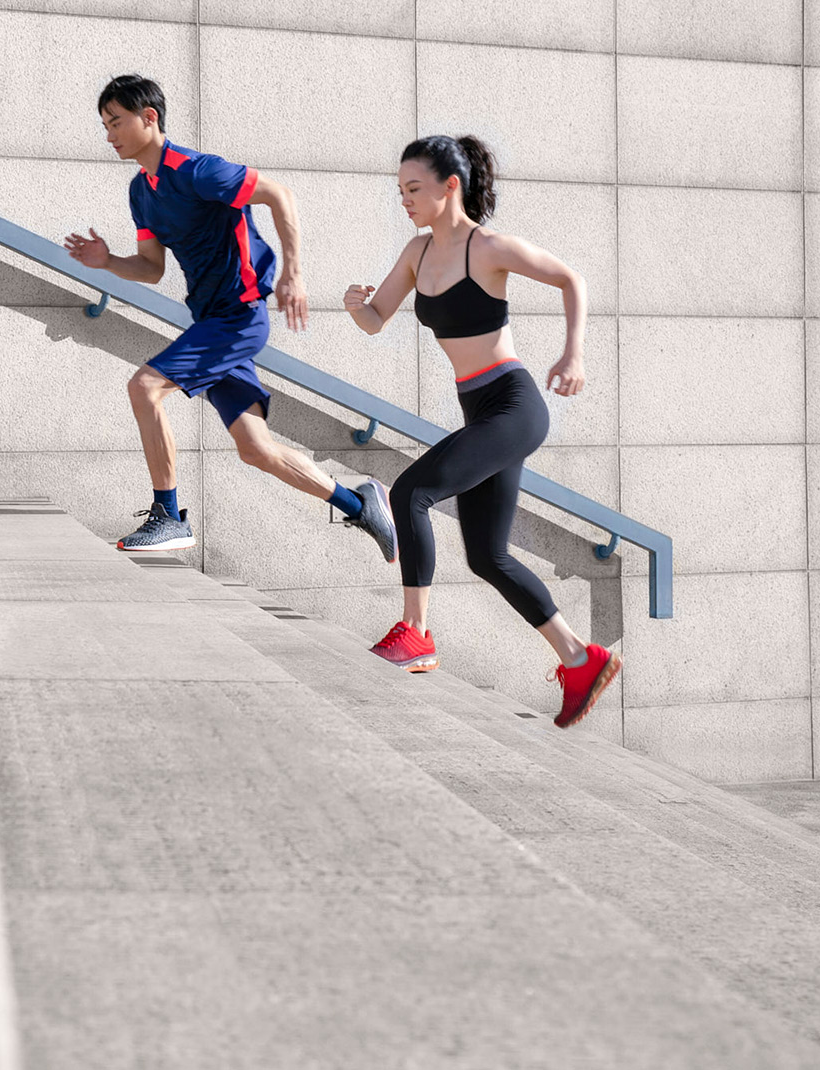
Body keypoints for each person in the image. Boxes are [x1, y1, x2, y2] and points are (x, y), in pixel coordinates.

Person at [342, 134, 620, 729]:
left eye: (413, 189)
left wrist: (572, 357)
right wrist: (353, 305)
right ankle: (579, 657)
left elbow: (572, 279)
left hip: (513, 404)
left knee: (410, 492)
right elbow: (374, 319)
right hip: (480, 410)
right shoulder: (417, 253)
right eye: (399, 191)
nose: (405, 200)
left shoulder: (489, 247)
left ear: (451, 187)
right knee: (488, 556)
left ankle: (416, 632)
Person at [63, 74, 398, 562]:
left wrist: (293, 274)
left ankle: (169, 516)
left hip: (240, 318)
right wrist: (107, 261)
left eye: (116, 121)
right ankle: (360, 502)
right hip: (210, 322)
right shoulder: (141, 192)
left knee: (145, 387)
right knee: (256, 449)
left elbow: (278, 195)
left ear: (149, 118)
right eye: (104, 125)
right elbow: (153, 269)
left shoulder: (199, 171)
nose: (109, 134)